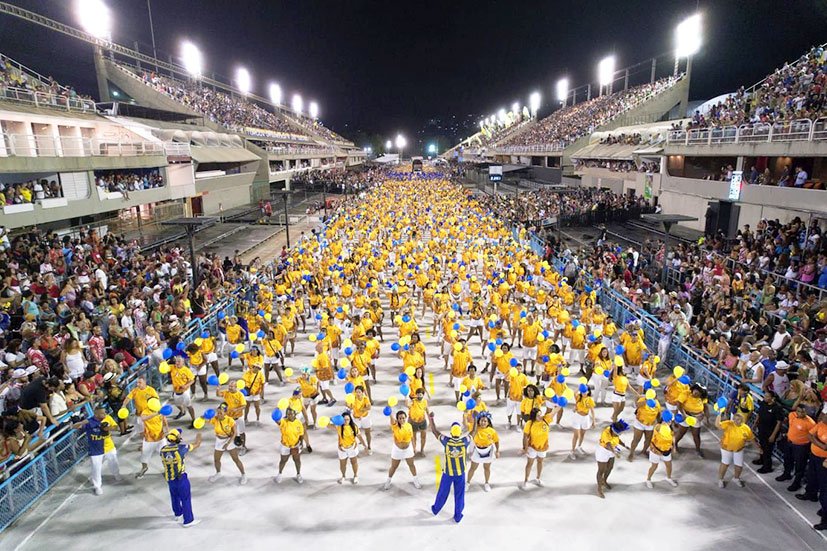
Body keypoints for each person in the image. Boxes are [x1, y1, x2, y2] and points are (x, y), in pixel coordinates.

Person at [428, 413, 470, 523]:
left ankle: (436, 509)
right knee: (459, 495)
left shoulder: (446, 441)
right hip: (460, 473)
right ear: (460, 433)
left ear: (451, 433)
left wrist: (431, 418)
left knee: (442, 492)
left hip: (448, 473)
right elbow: (474, 432)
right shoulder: (465, 441)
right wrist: (475, 418)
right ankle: (458, 516)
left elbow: (434, 431)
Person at [72, 406, 121, 495]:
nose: (105, 414)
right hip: (95, 449)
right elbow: (74, 427)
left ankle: (116, 474)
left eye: (105, 412)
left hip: (109, 446)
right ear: (96, 414)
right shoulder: (89, 422)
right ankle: (97, 486)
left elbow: (116, 427)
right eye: (102, 413)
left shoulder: (108, 418)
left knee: (113, 462)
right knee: (96, 468)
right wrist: (82, 422)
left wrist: (108, 428)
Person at [160, 429, 203, 528]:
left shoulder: (163, 449)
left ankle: (178, 514)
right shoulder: (181, 448)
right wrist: (199, 435)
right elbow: (197, 444)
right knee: (185, 498)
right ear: (177, 438)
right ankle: (188, 520)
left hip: (169, 478)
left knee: (174, 496)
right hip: (181, 478)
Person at [776, 404, 816, 492]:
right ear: (796, 411)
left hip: (801, 447)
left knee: (800, 465)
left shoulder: (811, 423)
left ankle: (796, 483)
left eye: (803, 412)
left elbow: (813, 436)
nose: (800, 413)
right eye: (798, 411)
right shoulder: (791, 415)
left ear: (806, 412)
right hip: (789, 443)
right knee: (787, 460)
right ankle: (786, 474)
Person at [716, 411, 759, 488]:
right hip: (726, 449)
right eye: (734, 419)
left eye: (738, 419)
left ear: (742, 420)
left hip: (739, 450)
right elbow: (717, 425)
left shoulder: (746, 428)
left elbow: (752, 439)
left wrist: (758, 448)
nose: (735, 421)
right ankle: (720, 479)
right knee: (725, 464)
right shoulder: (729, 423)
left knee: (739, 466)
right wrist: (719, 414)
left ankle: (736, 478)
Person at [208, 403, 247, 485]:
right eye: (217, 413)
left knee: (235, 459)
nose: (218, 415)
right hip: (219, 441)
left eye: (220, 413)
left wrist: (227, 443)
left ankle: (243, 474)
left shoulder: (230, 420)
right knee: (216, 459)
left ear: (225, 413)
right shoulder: (215, 419)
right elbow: (206, 420)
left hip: (229, 440)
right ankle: (218, 473)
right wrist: (202, 418)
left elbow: (234, 433)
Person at [383, 410, 421, 490]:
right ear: (397, 419)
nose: (402, 420)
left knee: (411, 465)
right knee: (393, 467)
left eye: (403, 418)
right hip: (397, 450)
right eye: (400, 418)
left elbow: (412, 438)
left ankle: (416, 480)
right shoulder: (395, 426)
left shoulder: (409, 426)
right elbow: (392, 420)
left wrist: (414, 447)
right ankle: (388, 480)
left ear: (406, 418)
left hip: (408, 449)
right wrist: (390, 413)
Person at [328, 410, 367, 484]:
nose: (346, 421)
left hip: (352, 448)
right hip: (342, 449)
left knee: (354, 463)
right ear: (341, 420)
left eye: (348, 419)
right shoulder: (338, 426)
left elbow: (359, 437)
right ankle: (343, 476)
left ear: (350, 419)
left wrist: (365, 445)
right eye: (344, 419)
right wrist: (331, 419)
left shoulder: (354, 427)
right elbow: (328, 426)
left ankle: (355, 476)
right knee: (342, 465)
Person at [595, 420, 630, 498]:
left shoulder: (615, 432)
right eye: (618, 433)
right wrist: (615, 453)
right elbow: (608, 444)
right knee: (601, 470)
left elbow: (617, 439)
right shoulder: (606, 432)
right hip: (603, 451)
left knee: (610, 467)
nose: (619, 434)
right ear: (614, 431)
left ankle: (604, 481)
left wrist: (624, 445)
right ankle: (599, 489)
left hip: (612, 450)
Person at [466, 411, 499, 491]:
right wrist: (473, 417)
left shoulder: (492, 431)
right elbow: (468, 425)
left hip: (488, 451)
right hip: (477, 450)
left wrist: (497, 451)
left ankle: (486, 483)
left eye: (485, 421)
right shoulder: (475, 429)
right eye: (481, 420)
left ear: (488, 422)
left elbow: (496, 441)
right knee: (473, 468)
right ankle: (467, 482)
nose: (483, 422)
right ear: (479, 421)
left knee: (487, 468)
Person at [752, 391, 783, 474]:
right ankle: (761, 460)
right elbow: (759, 414)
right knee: (762, 445)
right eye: (764, 396)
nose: (765, 397)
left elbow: (779, 423)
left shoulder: (777, 408)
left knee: (767, 450)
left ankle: (767, 467)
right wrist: (755, 424)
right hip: (761, 429)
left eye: (767, 396)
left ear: (772, 398)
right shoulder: (763, 403)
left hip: (770, 432)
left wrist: (773, 435)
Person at [275, 407, 306, 484]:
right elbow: (278, 422)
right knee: (283, 461)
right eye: (288, 414)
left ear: (295, 414)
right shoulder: (284, 421)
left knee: (297, 460)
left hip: (295, 445)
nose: (289, 415)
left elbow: (301, 434)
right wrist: (276, 415)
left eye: (291, 414)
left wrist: (301, 443)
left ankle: (298, 474)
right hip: (285, 446)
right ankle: (280, 474)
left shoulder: (298, 423)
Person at [645, 420, 678, 488]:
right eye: (668, 421)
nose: (670, 422)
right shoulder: (658, 427)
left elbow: (673, 437)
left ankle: (669, 478)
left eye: (670, 421)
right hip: (655, 450)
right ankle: (648, 479)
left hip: (666, 450)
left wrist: (674, 447)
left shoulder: (670, 428)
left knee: (669, 465)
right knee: (654, 466)